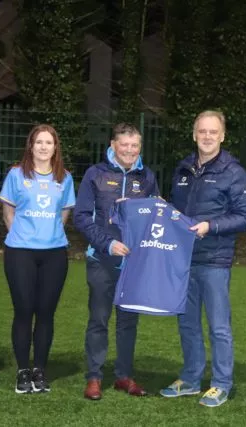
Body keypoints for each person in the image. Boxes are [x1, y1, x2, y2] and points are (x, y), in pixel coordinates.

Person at [159, 110, 246, 407]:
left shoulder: (234, 172)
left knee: (218, 326)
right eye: (202, 131)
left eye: (213, 132)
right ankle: (189, 378)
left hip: (214, 259)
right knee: (187, 323)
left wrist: (210, 226)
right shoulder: (183, 168)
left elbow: (245, 216)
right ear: (194, 134)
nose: (207, 136)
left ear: (222, 136)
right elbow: (177, 210)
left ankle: (222, 383)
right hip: (183, 259)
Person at [74, 122, 159, 400]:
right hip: (101, 259)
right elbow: (82, 216)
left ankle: (123, 375)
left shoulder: (147, 177)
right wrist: (107, 243)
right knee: (99, 319)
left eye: (135, 146)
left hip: (134, 264)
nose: (130, 150)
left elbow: (155, 215)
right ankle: (94, 377)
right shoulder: (95, 174)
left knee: (128, 323)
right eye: (124, 145)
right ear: (113, 145)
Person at [0, 124, 75, 394]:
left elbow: (63, 215)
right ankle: (22, 371)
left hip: (54, 253)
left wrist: (47, 237)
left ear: (55, 148)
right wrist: (23, 237)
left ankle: (40, 370)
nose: (44, 147)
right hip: (20, 252)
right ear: (30, 146)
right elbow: (8, 212)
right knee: (24, 311)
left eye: (49, 143)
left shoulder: (64, 178)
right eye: (39, 142)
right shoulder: (16, 175)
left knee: (46, 313)